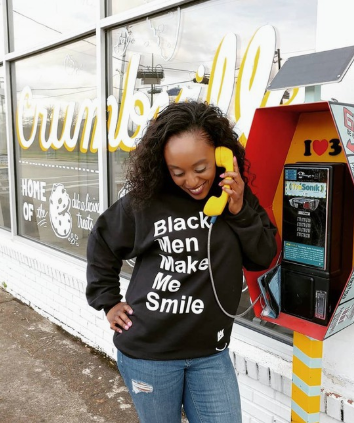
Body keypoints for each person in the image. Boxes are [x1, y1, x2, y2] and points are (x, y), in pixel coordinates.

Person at [86, 101, 277, 423]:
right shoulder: (146, 202)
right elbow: (103, 242)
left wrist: (240, 210)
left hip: (210, 354)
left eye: (200, 168)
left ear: (221, 155)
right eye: (178, 172)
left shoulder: (237, 198)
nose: (191, 181)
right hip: (149, 352)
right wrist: (108, 301)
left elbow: (262, 256)